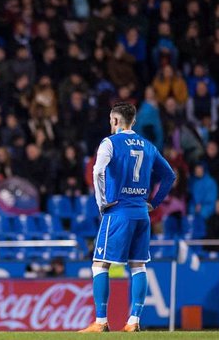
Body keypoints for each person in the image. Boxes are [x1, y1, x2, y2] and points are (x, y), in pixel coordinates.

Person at [80, 102, 176, 333]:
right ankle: (133, 321)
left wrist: (102, 202)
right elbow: (170, 176)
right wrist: (153, 202)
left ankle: (101, 321)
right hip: (141, 214)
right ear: (133, 121)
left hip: (118, 212)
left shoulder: (109, 143)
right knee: (138, 265)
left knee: (100, 264)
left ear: (114, 120)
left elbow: (97, 171)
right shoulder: (148, 146)